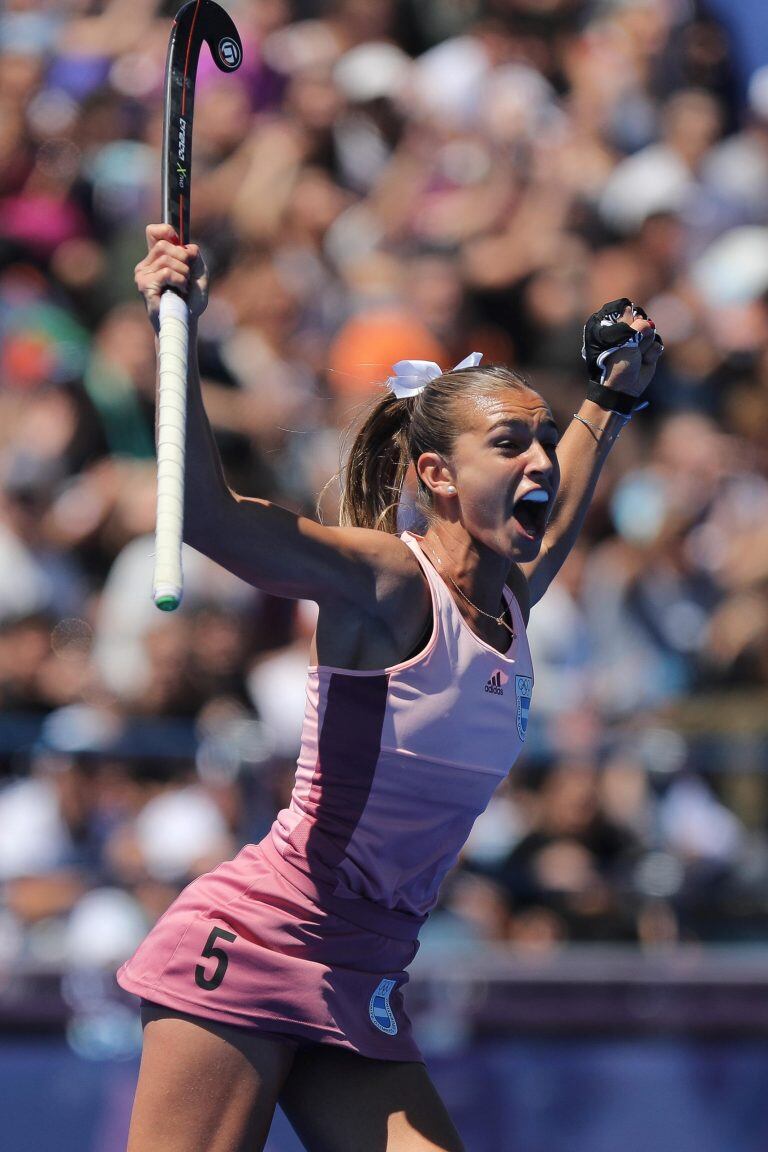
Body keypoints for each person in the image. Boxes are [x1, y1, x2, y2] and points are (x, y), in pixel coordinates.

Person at [117, 223, 662, 1152]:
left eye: (543, 442)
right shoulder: (389, 586)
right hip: (255, 942)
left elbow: (566, 500)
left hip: (363, 969)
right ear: (438, 476)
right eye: (510, 445)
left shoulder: (513, 603)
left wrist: (609, 398)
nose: (539, 461)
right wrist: (181, 328)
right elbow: (207, 515)